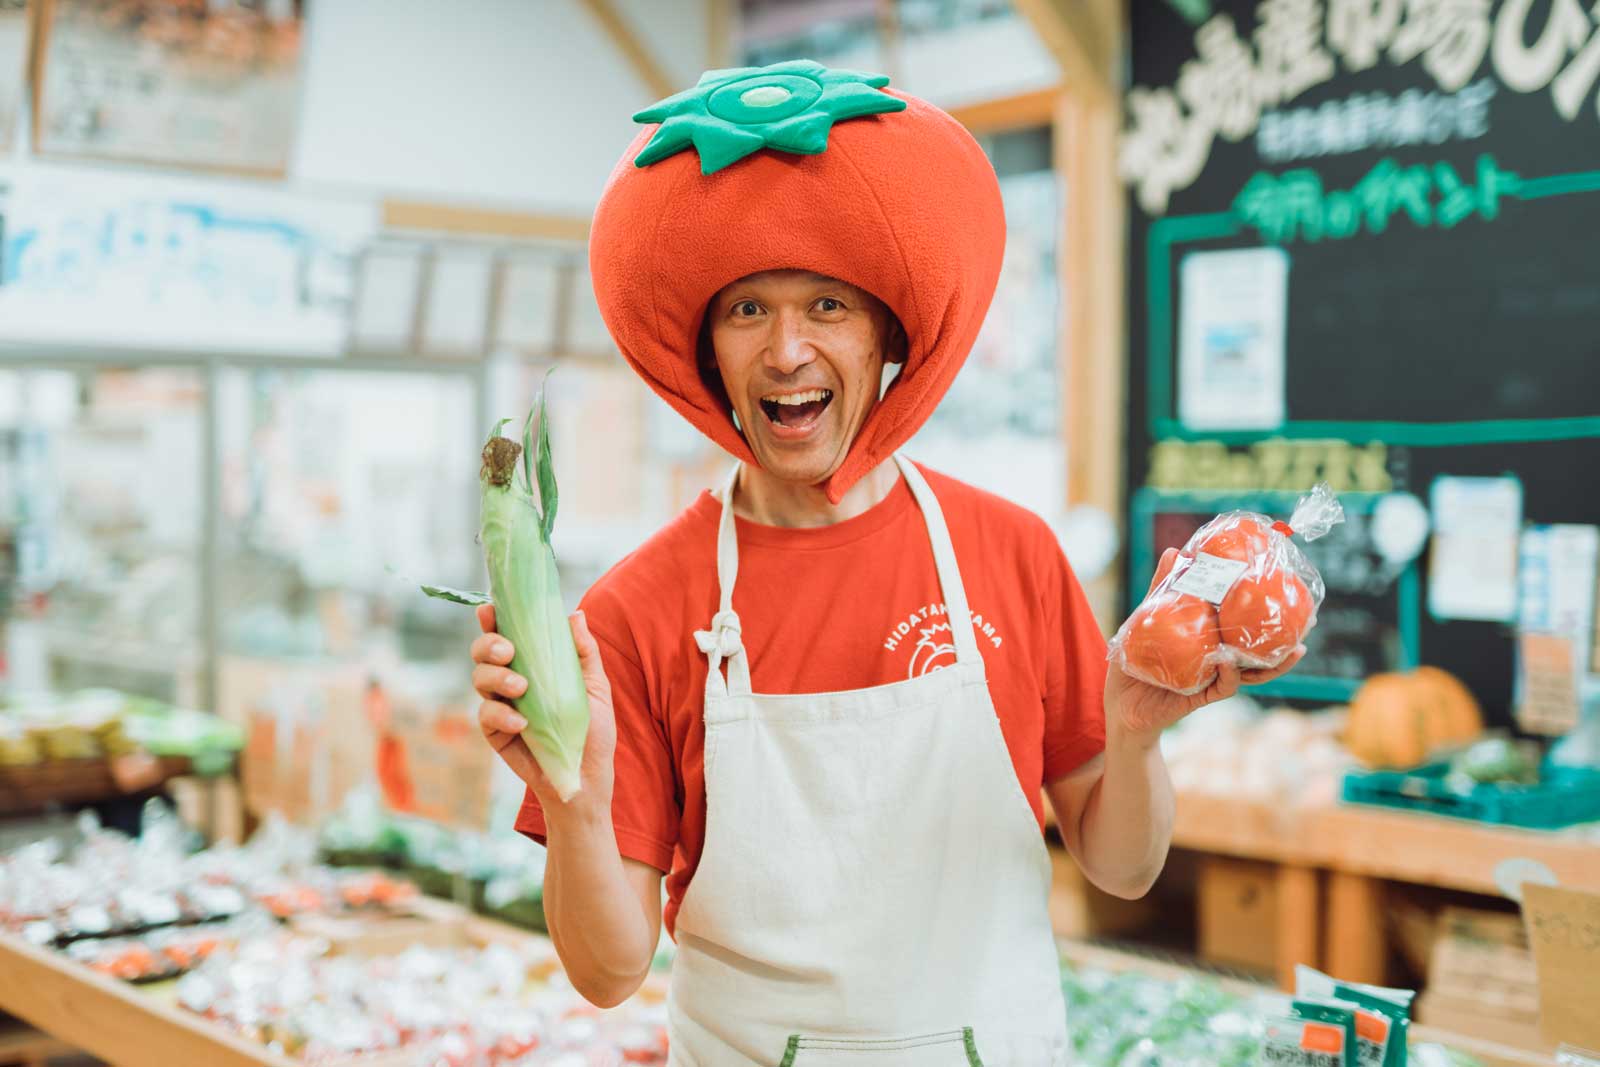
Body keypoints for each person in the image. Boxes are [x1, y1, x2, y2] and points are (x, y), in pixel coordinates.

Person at [469, 61, 1303, 1066]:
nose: (785, 350)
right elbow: (607, 972)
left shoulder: (1012, 552)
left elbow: (1121, 867)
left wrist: (1130, 737)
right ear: (708, 351)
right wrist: (571, 792)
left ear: (885, 336)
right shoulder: (637, 607)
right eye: (747, 311)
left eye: (827, 305)